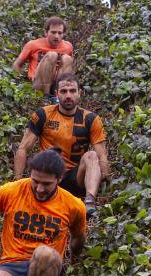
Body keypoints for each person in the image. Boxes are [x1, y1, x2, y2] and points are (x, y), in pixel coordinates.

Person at [14, 73, 109, 217]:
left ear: (79, 93)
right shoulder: (43, 115)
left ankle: (89, 201)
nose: (68, 95)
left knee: (92, 155)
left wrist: (105, 179)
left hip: (74, 178)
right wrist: (17, 183)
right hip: (48, 175)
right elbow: (23, 148)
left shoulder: (91, 119)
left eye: (72, 91)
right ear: (56, 93)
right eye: (64, 91)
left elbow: (102, 155)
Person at [12, 17, 74, 100]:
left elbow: (68, 69)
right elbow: (17, 64)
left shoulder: (68, 46)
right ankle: (46, 97)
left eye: (60, 33)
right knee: (52, 55)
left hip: (56, 85)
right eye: (53, 32)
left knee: (67, 59)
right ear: (46, 32)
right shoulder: (33, 44)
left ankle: (60, 96)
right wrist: (19, 84)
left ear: (63, 34)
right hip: (38, 84)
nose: (56, 36)